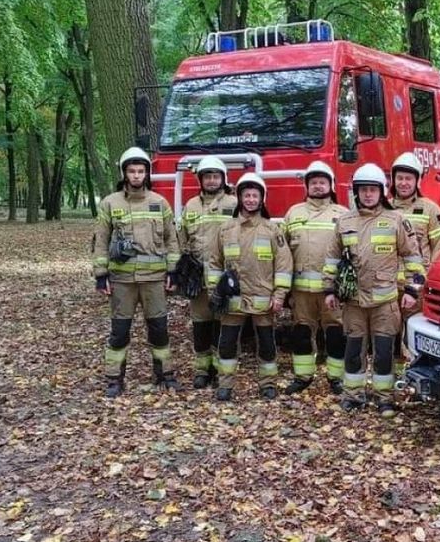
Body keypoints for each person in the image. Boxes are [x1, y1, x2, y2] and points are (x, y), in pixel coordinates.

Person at [324, 163, 424, 416]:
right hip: (353, 303)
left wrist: (412, 291)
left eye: (373, 189)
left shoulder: (396, 221)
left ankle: (384, 399)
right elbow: (332, 258)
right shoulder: (344, 221)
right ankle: (353, 396)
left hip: (385, 303)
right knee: (353, 352)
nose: (368, 194)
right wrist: (329, 290)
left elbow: (414, 259)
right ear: (356, 192)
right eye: (363, 190)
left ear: (382, 192)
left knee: (383, 353)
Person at [92, 146, 181, 397]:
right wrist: (101, 275)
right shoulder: (110, 203)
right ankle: (114, 380)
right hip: (122, 281)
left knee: (159, 330)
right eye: (131, 171)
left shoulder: (159, 202)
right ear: (124, 173)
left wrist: (173, 272)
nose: (136, 176)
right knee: (119, 332)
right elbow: (100, 240)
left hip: (154, 280)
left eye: (141, 171)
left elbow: (172, 240)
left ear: (147, 173)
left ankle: (165, 375)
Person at [207, 173, 293, 401]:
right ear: (239, 198)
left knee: (266, 345)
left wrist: (280, 295)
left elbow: (284, 266)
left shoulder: (273, 230)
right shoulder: (226, 229)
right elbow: (214, 262)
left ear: (262, 199)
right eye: (247, 195)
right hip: (232, 300)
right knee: (226, 344)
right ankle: (225, 385)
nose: (251, 200)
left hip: (263, 300)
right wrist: (214, 292)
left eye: (255, 196)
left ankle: (268, 385)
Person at [281, 161, 349, 395]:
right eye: (313, 182)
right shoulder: (294, 212)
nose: (318, 186)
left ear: (330, 185)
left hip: (331, 291)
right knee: (301, 333)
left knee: (336, 333)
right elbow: (282, 251)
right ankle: (303, 376)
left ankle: (336, 378)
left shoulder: (342, 215)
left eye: (322, 182)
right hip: (300, 290)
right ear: (307, 186)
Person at [177, 157, 238, 388]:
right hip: (198, 278)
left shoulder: (234, 204)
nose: (211, 181)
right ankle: (203, 370)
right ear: (200, 180)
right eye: (207, 177)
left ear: (223, 179)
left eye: (215, 176)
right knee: (201, 324)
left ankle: (222, 371)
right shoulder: (191, 205)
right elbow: (182, 238)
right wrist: (182, 267)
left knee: (224, 326)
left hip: (224, 277)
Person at [389, 151, 440, 377]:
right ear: (393, 180)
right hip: (387, 285)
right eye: (400, 178)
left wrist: (424, 284)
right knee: (389, 334)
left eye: (408, 178)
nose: (404, 183)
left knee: (414, 335)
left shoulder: (430, 209)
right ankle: (393, 376)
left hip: (417, 286)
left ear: (417, 181)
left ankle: (416, 375)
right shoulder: (383, 208)